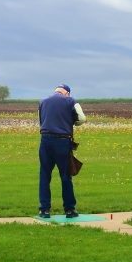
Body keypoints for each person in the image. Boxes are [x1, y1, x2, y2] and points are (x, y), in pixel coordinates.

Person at [38, 84, 87, 218]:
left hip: (45, 141)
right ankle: (70, 210)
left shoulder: (42, 101)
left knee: (44, 175)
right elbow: (82, 118)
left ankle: (44, 210)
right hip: (62, 141)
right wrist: (72, 122)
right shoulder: (71, 101)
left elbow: (41, 121)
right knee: (65, 176)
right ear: (67, 93)